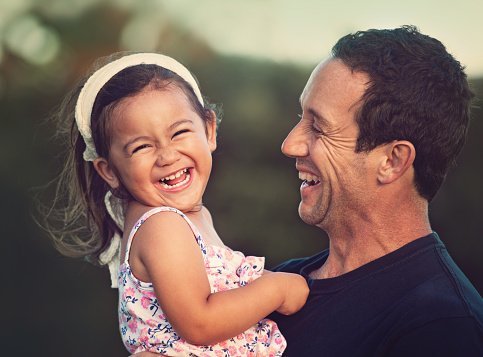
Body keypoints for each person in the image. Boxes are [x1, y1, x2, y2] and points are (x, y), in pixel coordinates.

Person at [46, 52, 309, 356]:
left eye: (179, 133)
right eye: (142, 146)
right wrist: (275, 290)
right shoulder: (162, 225)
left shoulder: (188, 218)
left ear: (209, 130)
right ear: (109, 170)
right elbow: (200, 324)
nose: (167, 156)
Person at [268, 25, 483, 356]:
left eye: (319, 127)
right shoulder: (281, 284)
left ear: (392, 161)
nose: (290, 144)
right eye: (301, 116)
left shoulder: (443, 326)